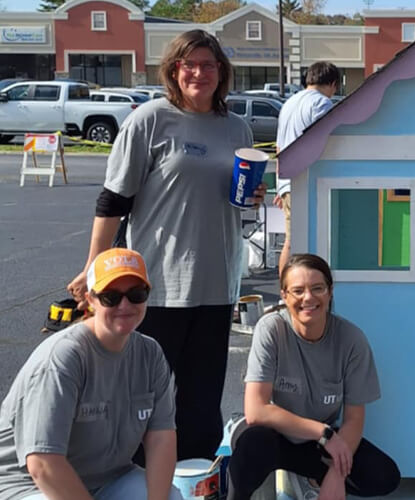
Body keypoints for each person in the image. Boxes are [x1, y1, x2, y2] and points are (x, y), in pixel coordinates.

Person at [66, 29, 260, 461]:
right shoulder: (151, 119)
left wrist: (254, 197)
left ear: (221, 72)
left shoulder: (236, 126)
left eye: (209, 65)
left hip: (217, 281)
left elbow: (236, 193)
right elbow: (114, 198)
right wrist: (95, 264)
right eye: (189, 64)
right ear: (174, 70)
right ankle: (132, 476)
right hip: (156, 284)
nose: (199, 73)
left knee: (203, 398)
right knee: (142, 394)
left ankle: (196, 476)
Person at [0, 248, 180, 500]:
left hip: (107, 478)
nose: (125, 305)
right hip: (25, 484)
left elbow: (161, 439)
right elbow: (42, 464)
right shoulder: (64, 358)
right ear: (90, 300)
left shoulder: (150, 353)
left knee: (168, 494)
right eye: (111, 297)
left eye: (136, 294)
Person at [227, 254, 400, 500]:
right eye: (298, 291)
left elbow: (354, 419)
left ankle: (310, 479)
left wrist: (335, 474)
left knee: (384, 475)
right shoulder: (271, 329)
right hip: (278, 435)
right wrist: (324, 433)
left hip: (319, 445)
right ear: (284, 296)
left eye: (317, 288)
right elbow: (256, 411)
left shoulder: (351, 340)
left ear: (330, 292)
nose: (308, 297)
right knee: (250, 449)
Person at [275, 61, 341, 277]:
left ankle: (286, 290)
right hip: (307, 180)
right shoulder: (321, 104)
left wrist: (279, 185)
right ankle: (291, 291)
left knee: (291, 241)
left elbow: (279, 147)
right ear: (333, 83)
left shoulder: (288, 104)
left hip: (287, 182)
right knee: (304, 243)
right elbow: (325, 142)